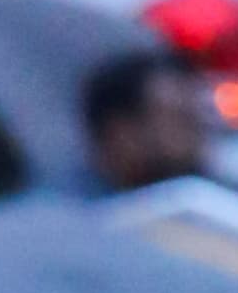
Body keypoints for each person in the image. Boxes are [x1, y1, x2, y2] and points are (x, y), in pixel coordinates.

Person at [84, 41, 217, 189]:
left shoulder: (225, 198)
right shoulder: (75, 208)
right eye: (181, 117)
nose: (201, 126)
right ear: (122, 135)